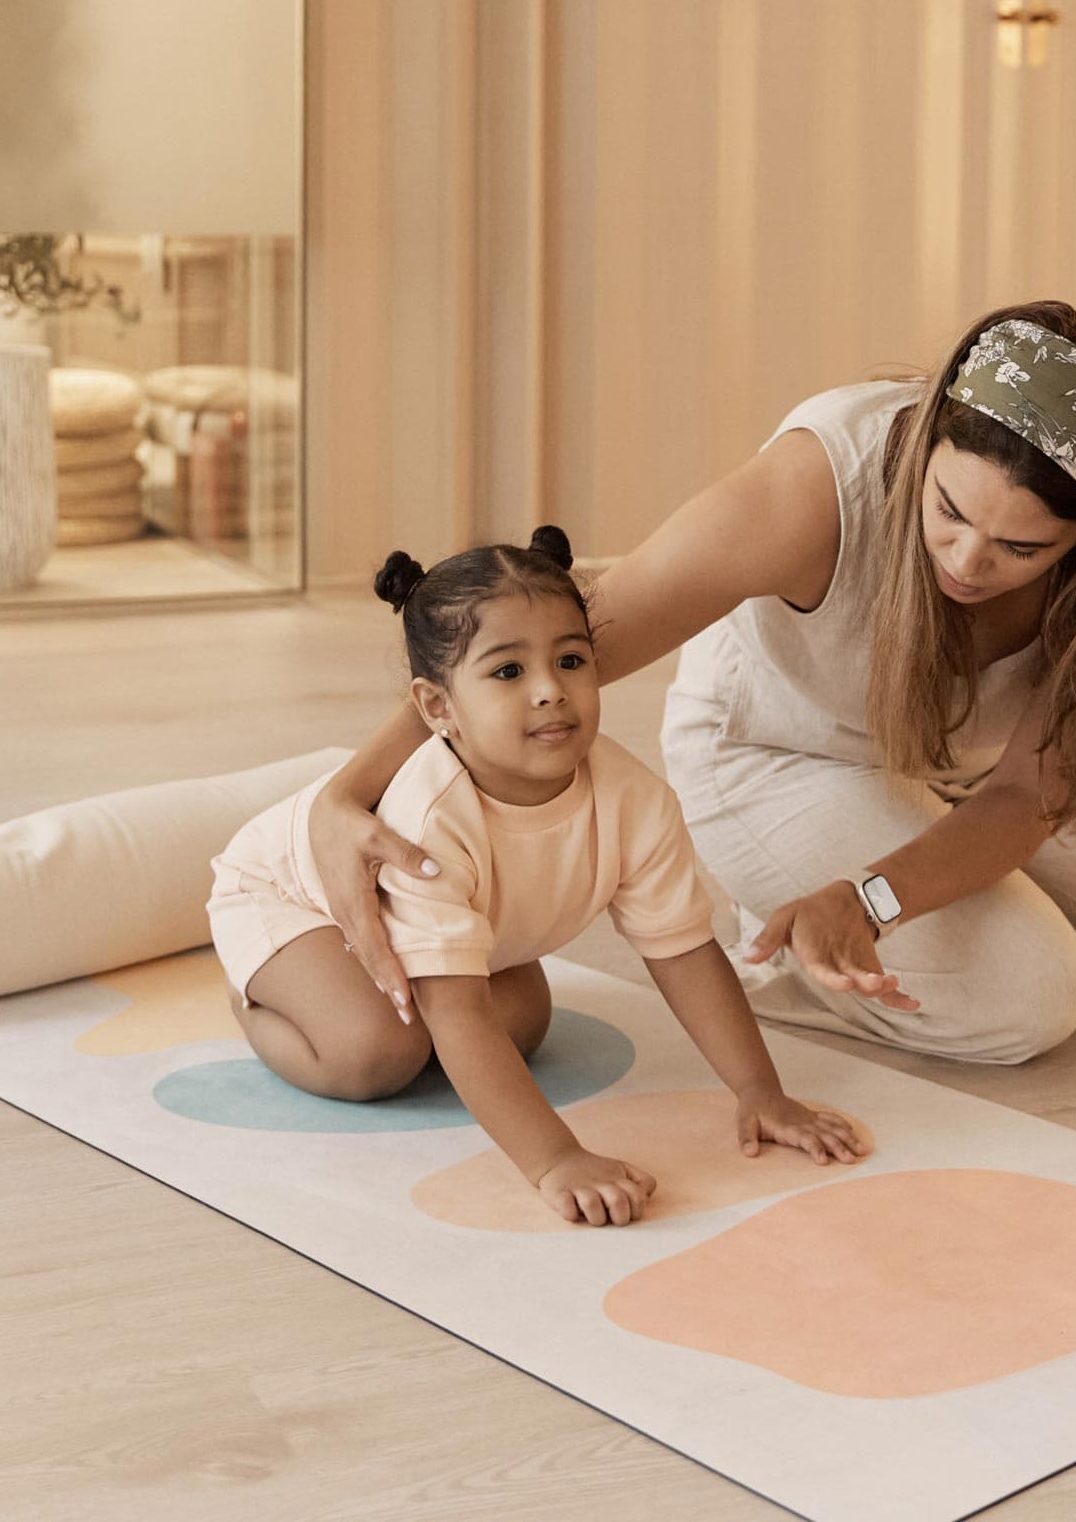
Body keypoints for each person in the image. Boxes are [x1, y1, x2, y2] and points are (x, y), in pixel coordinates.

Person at [309, 301, 1076, 1068]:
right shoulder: (819, 483)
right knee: (1028, 999)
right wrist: (348, 795)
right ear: (927, 444)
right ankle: (779, 954)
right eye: (948, 511)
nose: (966, 560)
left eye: (1020, 548)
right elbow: (567, 636)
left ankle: (935, 898)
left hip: (961, 772)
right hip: (774, 751)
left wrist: (875, 896)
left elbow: (1028, 794)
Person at [207, 526, 866, 1228]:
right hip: (290, 899)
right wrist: (555, 1159)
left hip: (457, 926)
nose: (551, 691)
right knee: (377, 1053)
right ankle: (258, 994)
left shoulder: (635, 800)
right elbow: (457, 1013)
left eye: (571, 660)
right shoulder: (429, 820)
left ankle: (395, 974)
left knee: (522, 1024)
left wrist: (761, 1091)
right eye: (508, 672)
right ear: (437, 708)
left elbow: (686, 954)